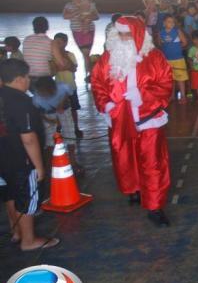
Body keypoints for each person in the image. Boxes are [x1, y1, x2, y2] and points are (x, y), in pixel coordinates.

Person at [90, 16, 173, 226]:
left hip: (148, 119)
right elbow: (97, 82)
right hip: (118, 119)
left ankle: (155, 207)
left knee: (153, 163)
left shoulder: (154, 57)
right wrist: (107, 104)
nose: (123, 38)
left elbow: (165, 84)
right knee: (124, 158)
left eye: (127, 33)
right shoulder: (107, 58)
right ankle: (133, 189)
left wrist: (144, 97)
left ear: (137, 34)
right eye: (119, 33)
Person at [0, 59, 60, 251]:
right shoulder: (21, 101)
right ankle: (29, 241)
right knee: (26, 197)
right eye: (27, 77)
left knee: (9, 194)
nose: (28, 81)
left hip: (3, 157)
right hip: (22, 160)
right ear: (19, 79)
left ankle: (16, 232)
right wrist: (39, 166)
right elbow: (29, 138)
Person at [31, 76, 83, 172]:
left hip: (63, 109)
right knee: (49, 138)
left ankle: (72, 160)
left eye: (45, 92)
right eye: (41, 92)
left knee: (70, 133)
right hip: (47, 113)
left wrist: (61, 104)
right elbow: (39, 113)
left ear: (52, 88)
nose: (43, 94)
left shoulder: (62, 87)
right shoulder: (37, 98)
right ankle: (51, 163)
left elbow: (67, 93)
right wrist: (49, 120)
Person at [22, 17, 66, 87]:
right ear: (47, 27)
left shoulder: (27, 39)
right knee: (66, 89)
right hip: (43, 80)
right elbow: (62, 64)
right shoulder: (51, 42)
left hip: (28, 79)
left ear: (33, 27)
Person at [53, 33, 82, 138]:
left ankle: (76, 127)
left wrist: (64, 57)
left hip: (71, 86)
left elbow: (74, 68)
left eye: (60, 42)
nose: (57, 45)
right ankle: (59, 127)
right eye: (55, 42)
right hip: (59, 87)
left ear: (65, 43)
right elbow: (53, 70)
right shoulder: (53, 56)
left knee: (74, 108)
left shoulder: (70, 54)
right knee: (59, 108)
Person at [159, 14, 189, 103]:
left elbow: (185, 42)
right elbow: (160, 44)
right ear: (164, 23)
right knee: (170, 78)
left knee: (180, 78)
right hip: (167, 59)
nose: (171, 23)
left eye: (172, 22)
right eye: (169, 22)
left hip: (178, 59)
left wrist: (177, 48)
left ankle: (183, 96)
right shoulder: (161, 32)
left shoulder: (177, 31)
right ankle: (171, 95)